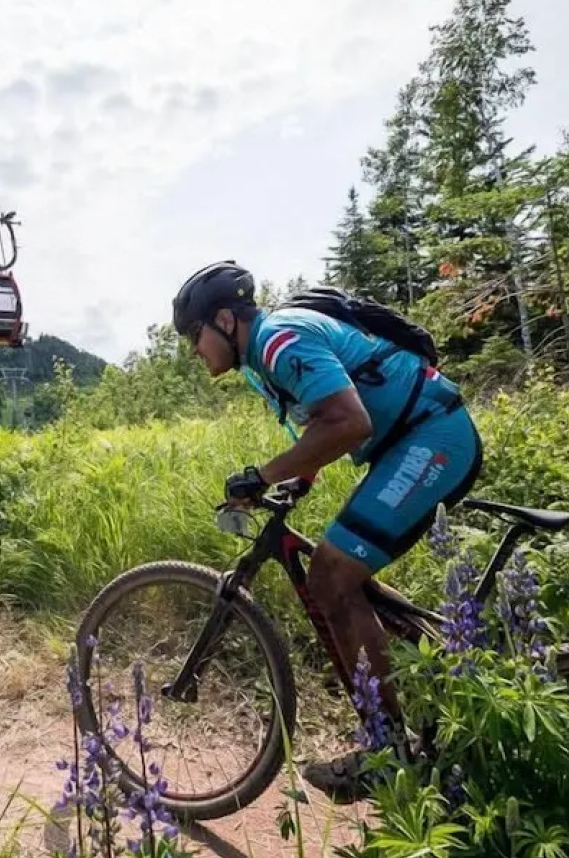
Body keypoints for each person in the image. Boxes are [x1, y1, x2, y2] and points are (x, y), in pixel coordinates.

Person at [171, 260, 484, 801]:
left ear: (223, 321)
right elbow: (323, 419)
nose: (194, 350)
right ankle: (431, 676)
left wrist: (263, 475)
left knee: (332, 572)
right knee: (343, 573)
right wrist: (298, 478)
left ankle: (388, 752)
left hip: (432, 437)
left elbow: (350, 422)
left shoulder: (278, 340)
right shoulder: (263, 357)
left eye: (194, 336)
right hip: (411, 441)